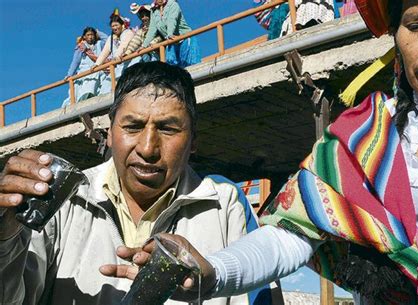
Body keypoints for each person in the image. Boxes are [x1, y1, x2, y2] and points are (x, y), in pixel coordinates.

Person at [111, 1, 418, 304]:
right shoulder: (362, 136)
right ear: (396, 34)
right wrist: (212, 271)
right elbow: (291, 234)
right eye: (416, 25)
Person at [0, 62, 278, 305]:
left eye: (168, 128)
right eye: (132, 127)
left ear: (193, 141)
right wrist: (4, 237)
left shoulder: (226, 205)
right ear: (108, 134)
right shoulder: (61, 202)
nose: (147, 148)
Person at [142, 0, 201, 68]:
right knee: (171, 65)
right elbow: (152, 29)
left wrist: (170, 34)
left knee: (189, 64)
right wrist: (144, 45)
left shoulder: (173, 4)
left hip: (184, 38)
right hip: (171, 41)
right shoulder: (154, 10)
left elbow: (172, 19)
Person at [62, 27, 107, 107]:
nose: (90, 37)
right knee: (83, 93)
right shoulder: (81, 47)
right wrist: (69, 74)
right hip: (85, 74)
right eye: (88, 35)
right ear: (84, 37)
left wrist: (98, 32)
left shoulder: (99, 44)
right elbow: (75, 62)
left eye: (92, 35)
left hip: (98, 72)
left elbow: (107, 40)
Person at [95, 9, 134, 95]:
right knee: (106, 85)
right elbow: (104, 52)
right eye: (112, 26)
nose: (115, 28)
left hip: (128, 62)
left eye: (116, 25)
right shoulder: (111, 38)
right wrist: (97, 65)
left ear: (122, 25)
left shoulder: (128, 32)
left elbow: (123, 46)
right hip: (116, 65)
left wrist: (116, 57)